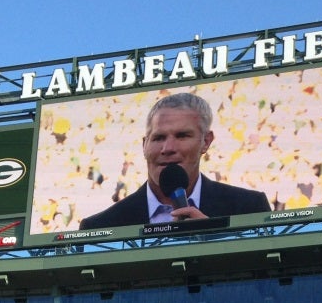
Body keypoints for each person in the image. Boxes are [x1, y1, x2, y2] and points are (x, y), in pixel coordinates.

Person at [79, 92, 270, 229]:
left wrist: (216, 240)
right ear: (144, 145)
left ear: (206, 141)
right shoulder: (100, 226)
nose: (168, 148)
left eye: (182, 136)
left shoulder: (249, 208)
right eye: (158, 138)